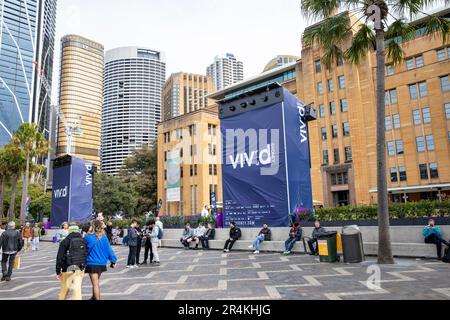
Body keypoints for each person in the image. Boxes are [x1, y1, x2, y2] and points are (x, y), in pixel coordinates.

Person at [84, 220, 117, 300]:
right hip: (102, 263)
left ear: (93, 226)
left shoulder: (88, 237)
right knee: (96, 282)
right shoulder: (104, 238)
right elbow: (109, 250)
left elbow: (84, 250)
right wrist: (113, 260)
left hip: (92, 263)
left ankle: (96, 298)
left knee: (95, 284)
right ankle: (93, 297)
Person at [55, 224, 87, 300]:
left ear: (69, 231)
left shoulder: (65, 241)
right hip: (80, 267)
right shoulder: (83, 240)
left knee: (64, 289)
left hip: (67, 267)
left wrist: (58, 271)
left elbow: (59, 257)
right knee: (77, 289)